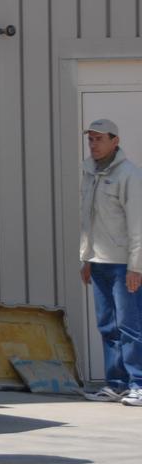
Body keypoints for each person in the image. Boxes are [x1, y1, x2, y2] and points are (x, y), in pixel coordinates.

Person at [78, 118, 142, 406]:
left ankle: (138, 383)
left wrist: (136, 266)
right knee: (107, 326)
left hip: (122, 265)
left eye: (99, 139)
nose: (93, 144)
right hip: (98, 262)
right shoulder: (89, 172)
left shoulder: (129, 175)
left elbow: (137, 224)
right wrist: (86, 259)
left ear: (115, 141)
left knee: (130, 326)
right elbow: (87, 222)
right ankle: (116, 384)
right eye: (90, 139)